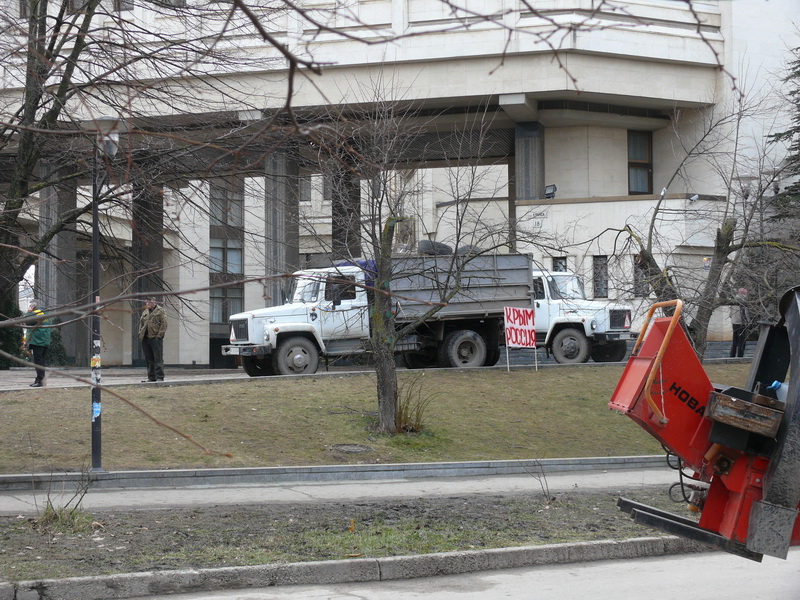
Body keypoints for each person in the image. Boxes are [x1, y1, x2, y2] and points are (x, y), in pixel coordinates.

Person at [138, 296, 168, 382]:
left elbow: (164, 324)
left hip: (155, 338)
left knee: (158, 358)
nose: (147, 303)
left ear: (154, 302)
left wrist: (159, 336)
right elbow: (141, 324)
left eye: (149, 302)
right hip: (145, 338)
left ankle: (159, 377)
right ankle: (151, 377)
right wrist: (140, 334)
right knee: (149, 359)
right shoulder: (145, 312)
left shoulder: (160, 311)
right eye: (146, 302)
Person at [23, 299, 51, 387]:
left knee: (38, 362)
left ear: (33, 306)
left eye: (30, 306)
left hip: (37, 341)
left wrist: (29, 312)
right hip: (44, 340)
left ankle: (40, 380)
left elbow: (27, 321)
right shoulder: (46, 313)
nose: (29, 307)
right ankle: (40, 380)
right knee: (41, 362)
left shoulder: (36, 313)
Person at [729, 287, 749, 358]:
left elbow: (730, 315)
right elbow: (745, 314)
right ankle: (740, 356)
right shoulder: (743, 302)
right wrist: (748, 322)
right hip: (741, 323)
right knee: (742, 341)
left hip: (734, 323)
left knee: (735, 340)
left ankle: (732, 355)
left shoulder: (733, 302)